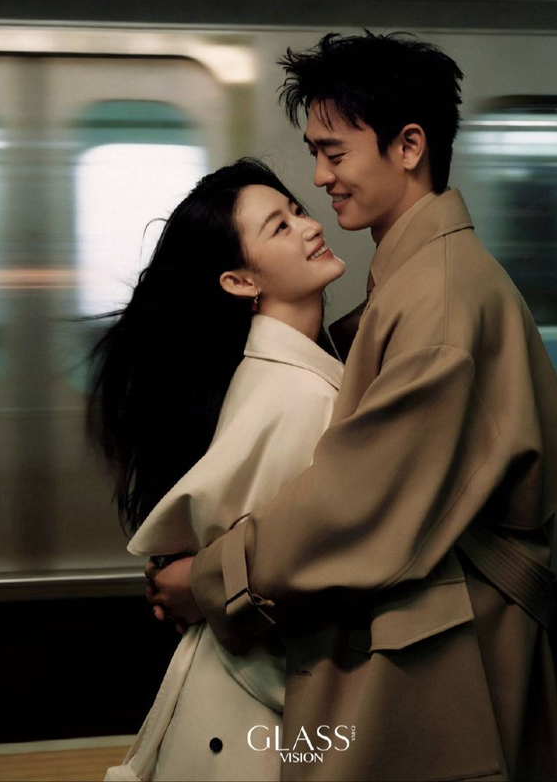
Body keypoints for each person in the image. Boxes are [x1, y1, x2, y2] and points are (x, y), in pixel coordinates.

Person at [145, 32, 557, 782]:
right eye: (315, 154)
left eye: (334, 153)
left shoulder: (441, 299)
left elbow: (356, 505)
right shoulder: (420, 279)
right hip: (451, 656)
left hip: (457, 669)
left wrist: (207, 581)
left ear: (409, 146)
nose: (320, 177)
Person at [86, 157, 346, 780]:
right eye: (280, 226)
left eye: (298, 211)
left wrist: (197, 584)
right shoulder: (301, 397)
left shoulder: (271, 375)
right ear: (238, 281)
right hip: (257, 721)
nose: (310, 226)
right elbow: (305, 568)